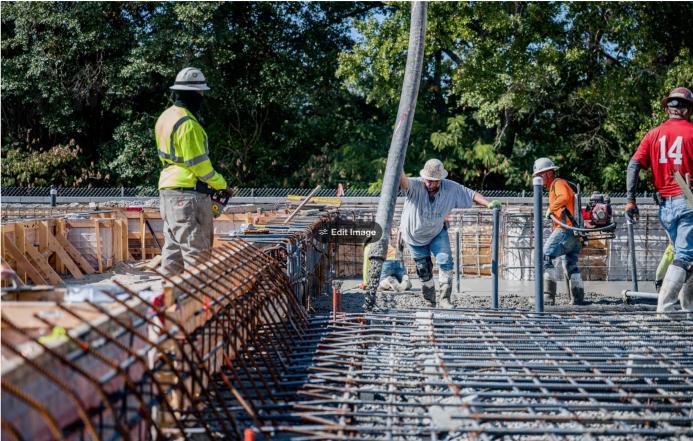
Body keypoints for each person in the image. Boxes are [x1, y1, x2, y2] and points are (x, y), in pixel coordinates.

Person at [155, 67, 233, 276]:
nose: (203, 97)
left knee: (173, 252)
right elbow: (200, 166)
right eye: (201, 93)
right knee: (196, 254)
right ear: (194, 94)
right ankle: (198, 305)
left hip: (168, 191)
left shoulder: (165, 116)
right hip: (188, 193)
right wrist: (221, 184)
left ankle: (169, 302)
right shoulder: (188, 124)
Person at [399, 159, 501, 308]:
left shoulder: (450, 188)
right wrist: (398, 164)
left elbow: (471, 194)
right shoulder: (415, 185)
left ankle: (445, 299)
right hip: (414, 236)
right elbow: (403, 182)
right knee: (423, 269)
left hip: (436, 232)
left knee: (445, 260)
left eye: (434, 181)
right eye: (428, 180)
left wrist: (488, 204)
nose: (430, 184)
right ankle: (429, 301)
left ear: (440, 180)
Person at [626, 86, 693, 316]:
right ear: (688, 110)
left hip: (665, 206)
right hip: (688, 203)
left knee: (686, 256)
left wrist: (630, 201)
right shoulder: (692, 133)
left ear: (669, 109)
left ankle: (688, 308)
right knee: (685, 256)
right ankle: (664, 310)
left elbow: (634, 165)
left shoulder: (654, 134)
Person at [533, 157, 584, 305]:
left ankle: (547, 298)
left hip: (565, 229)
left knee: (544, 256)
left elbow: (565, 197)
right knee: (570, 264)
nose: (538, 179)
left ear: (548, 173)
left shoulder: (557, 183)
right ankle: (578, 298)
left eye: (539, 175)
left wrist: (552, 207)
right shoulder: (558, 185)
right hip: (575, 233)